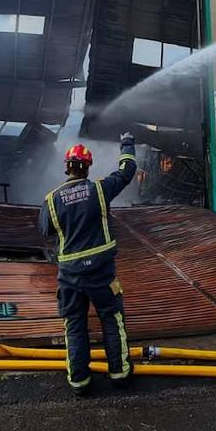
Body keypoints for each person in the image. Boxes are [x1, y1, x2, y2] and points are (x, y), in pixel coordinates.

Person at [37, 133, 137, 396]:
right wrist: (126, 142)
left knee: (75, 324)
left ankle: (79, 380)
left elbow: (45, 230)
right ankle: (119, 372)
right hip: (102, 273)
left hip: (69, 276)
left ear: (66, 167)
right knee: (111, 319)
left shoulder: (51, 200)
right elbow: (127, 171)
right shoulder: (100, 190)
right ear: (88, 166)